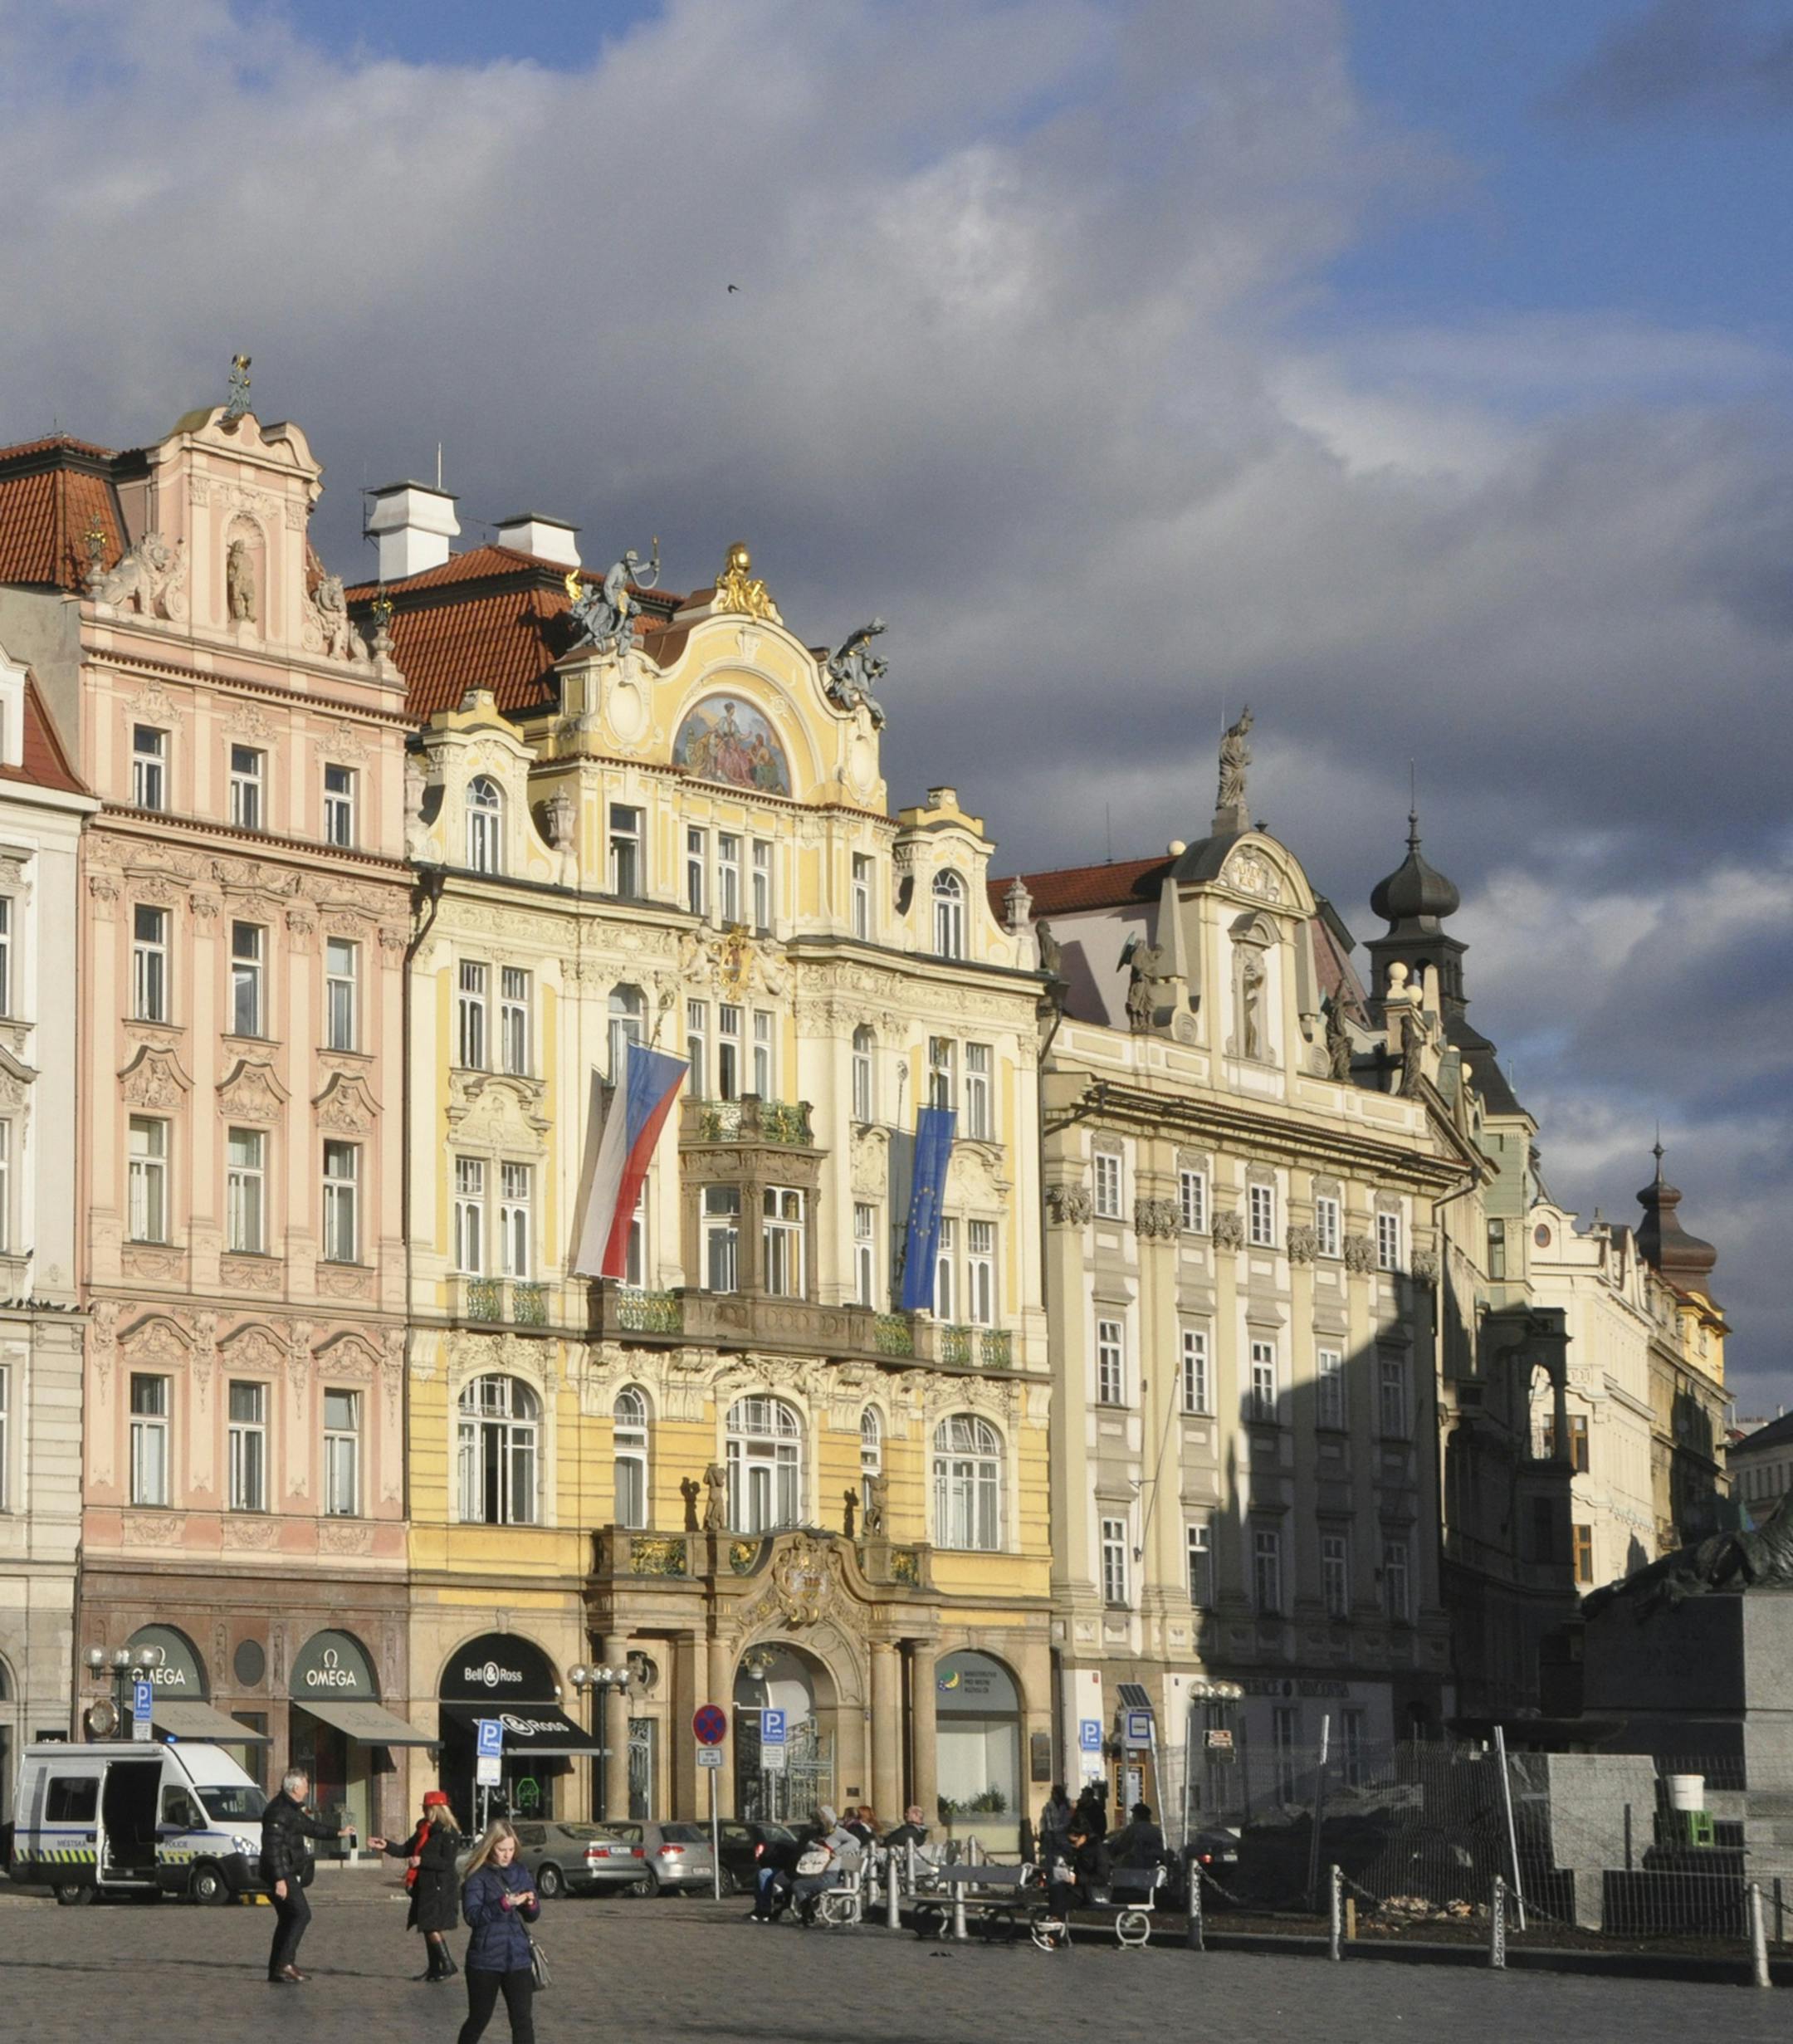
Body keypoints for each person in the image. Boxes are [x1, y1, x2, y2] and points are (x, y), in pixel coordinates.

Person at [259, 1767, 349, 1984]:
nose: (308, 1790)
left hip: (285, 1871)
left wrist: (338, 1833)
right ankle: (285, 1965)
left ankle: (277, 1968)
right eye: (306, 1786)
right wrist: (280, 1879)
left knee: (288, 1918)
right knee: (301, 1914)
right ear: (295, 1788)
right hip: (281, 1872)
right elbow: (272, 1847)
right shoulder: (279, 1811)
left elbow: (310, 1827)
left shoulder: (291, 1809)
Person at [457, 1820, 539, 2044]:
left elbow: (533, 1915)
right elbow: (472, 1916)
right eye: (502, 1850)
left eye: (511, 1850)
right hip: (485, 1960)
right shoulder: (478, 1875)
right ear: (490, 1847)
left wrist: (530, 1904)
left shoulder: (521, 1871)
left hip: (518, 1958)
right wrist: (503, 1904)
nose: (507, 1855)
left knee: (523, 2020)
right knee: (479, 2018)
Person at [370, 1790, 463, 1982]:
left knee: (431, 1926)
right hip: (425, 1886)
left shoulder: (448, 1832)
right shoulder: (424, 1829)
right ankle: (434, 1968)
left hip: (440, 1887)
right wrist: (385, 1845)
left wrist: (422, 1861)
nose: (425, 1812)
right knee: (426, 1926)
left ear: (437, 1809)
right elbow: (406, 1849)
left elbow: (447, 1862)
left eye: (427, 1809)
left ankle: (447, 1964)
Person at [1041, 1814, 1107, 1939]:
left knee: (1062, 1898)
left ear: (1083, 1836)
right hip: (1076, 1889)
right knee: (1057, 1889)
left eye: (1074, 1841)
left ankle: (1053, 1933)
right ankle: (1054, 1928)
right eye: (1069, 1841)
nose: (1072, 1845)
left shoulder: (1098, 1850)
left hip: (1092, 1892)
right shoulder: (1077, 1849)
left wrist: (1077, 1879)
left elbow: (1102, 1878)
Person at [1107, 1800, 1165, 1870]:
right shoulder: (1156, 1830)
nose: (1133, 1816)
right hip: (1153, 1869)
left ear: (1137, 1815)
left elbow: (1120, 1846)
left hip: (1135, 1869)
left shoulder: (1133, 1829)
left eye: (1134, 1814)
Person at [1038, 1784, 1073, 1871]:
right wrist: (1045, 1831)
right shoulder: (1048, 1806)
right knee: (1049, 1857)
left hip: (1062, 1836)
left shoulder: (1066, 1807)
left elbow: (1067, 1821)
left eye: (1055, 1794)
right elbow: (1044, 1820)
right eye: (1052, 1793)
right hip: (1050, 1836)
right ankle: (1050, 1874)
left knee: (1063, 1857)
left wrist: (1057, 1829)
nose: (1053, 1795)